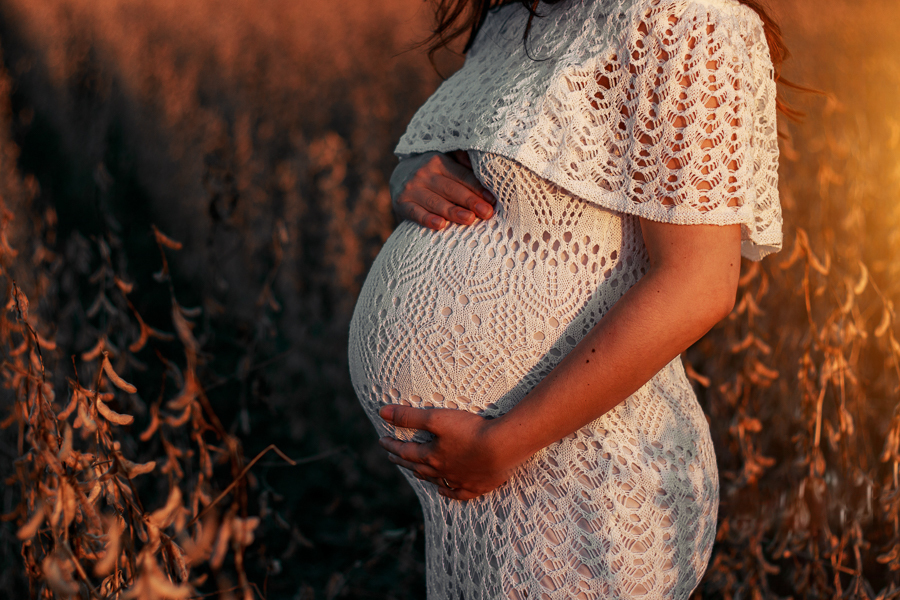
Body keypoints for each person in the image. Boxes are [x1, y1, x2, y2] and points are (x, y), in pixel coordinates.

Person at [348, 0, 786, 597]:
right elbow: (499, 176)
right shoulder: (519, 16)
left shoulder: (689, 16)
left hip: (581, 481)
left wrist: (504, 443)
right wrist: (412, 174)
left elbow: (699, 283)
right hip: (485, 489)